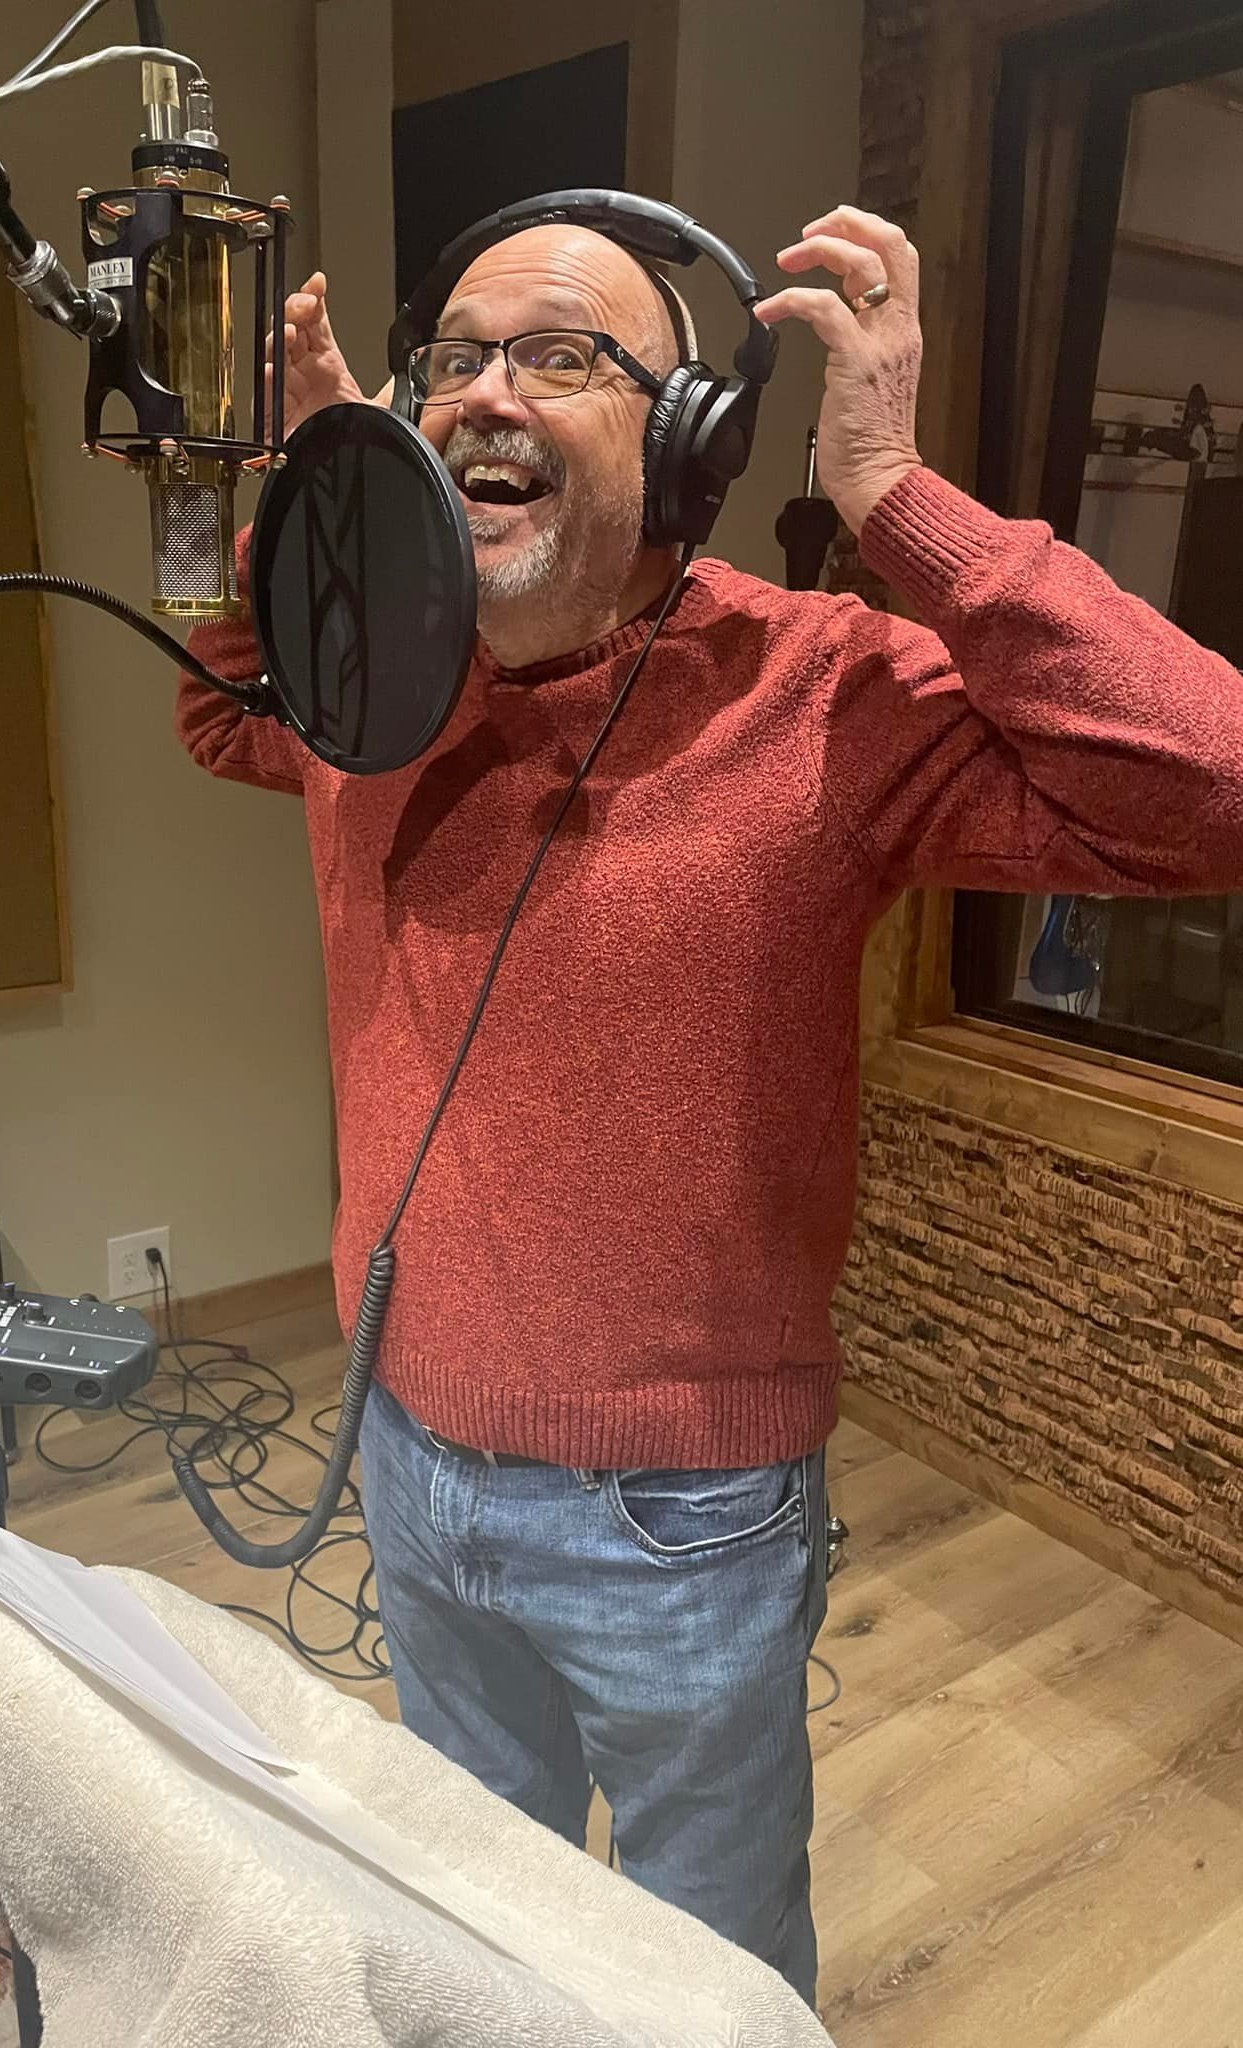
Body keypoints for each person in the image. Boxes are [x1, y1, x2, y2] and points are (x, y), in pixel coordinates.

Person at [175, 205, 1243, 2008]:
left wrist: (902, 496)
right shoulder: (367, 677)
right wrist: (311, 512)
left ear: (690, 444)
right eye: (452, 360)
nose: (482, 393)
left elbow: (1209, 789)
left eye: (560, 357)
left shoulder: (824, 692)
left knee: (705, 1973)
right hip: (405, 1442)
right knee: (476, 1905)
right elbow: (219, 717)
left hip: (678, 1518)